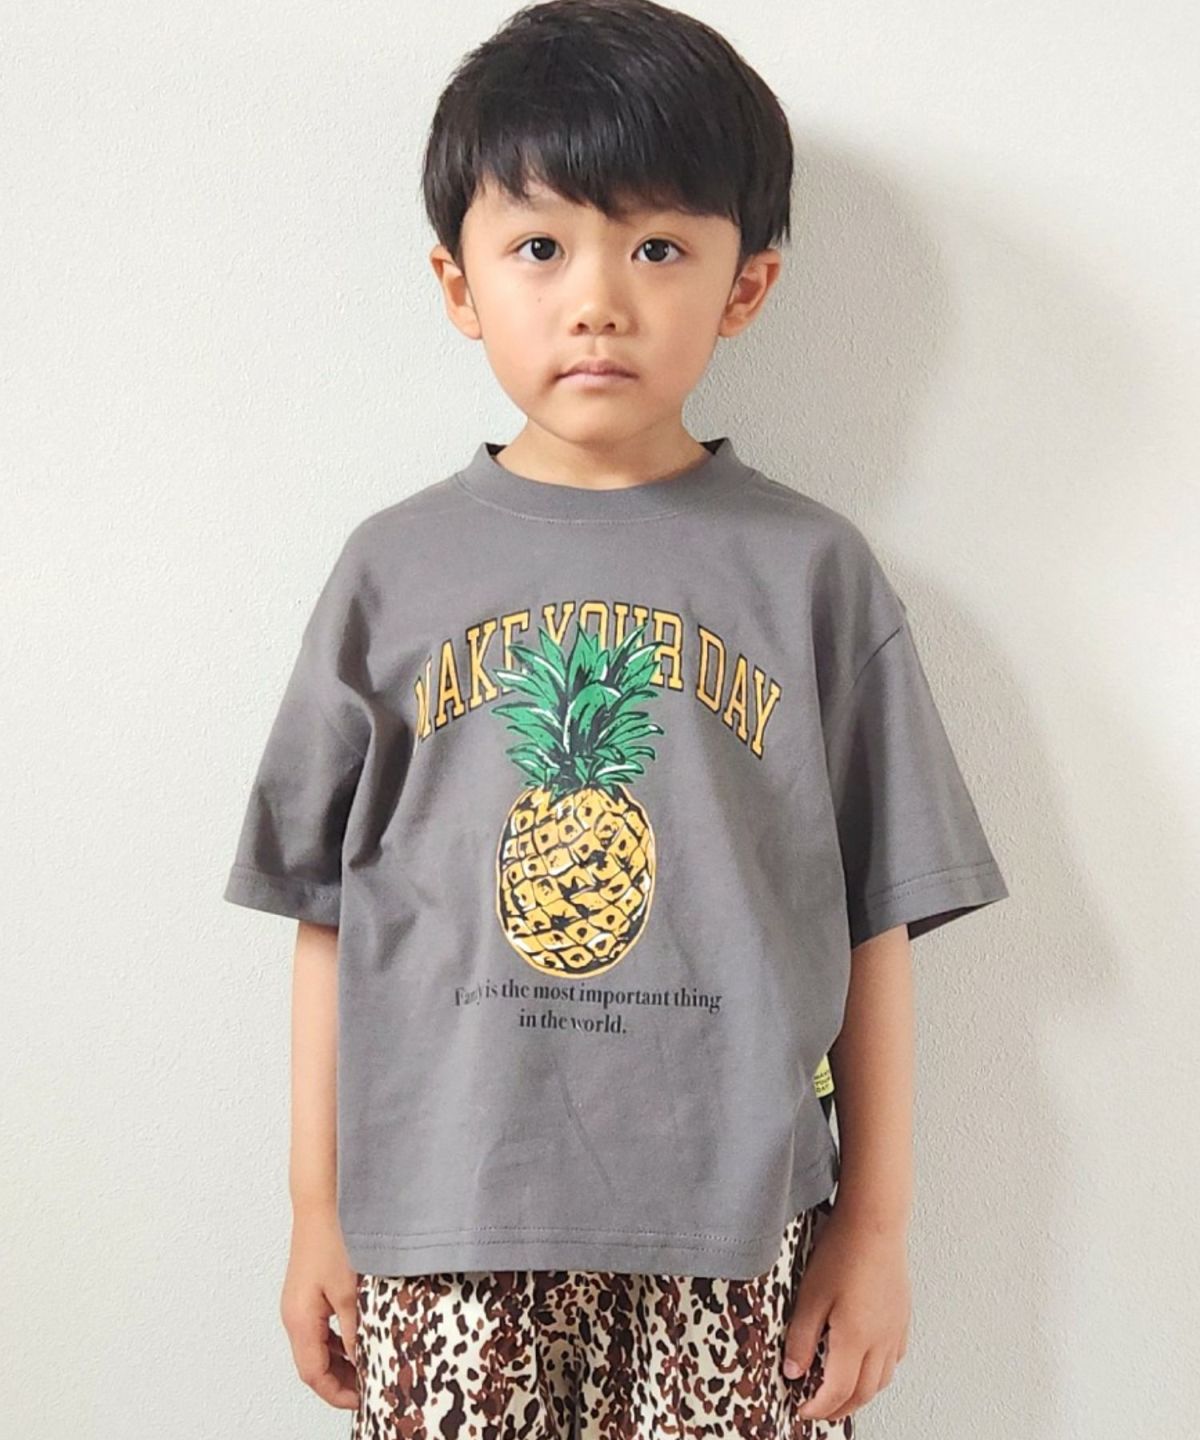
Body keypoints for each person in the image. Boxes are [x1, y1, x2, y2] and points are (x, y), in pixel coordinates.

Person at [222, 1, 1011, 1434]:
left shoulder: (811, 574)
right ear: (458, 283)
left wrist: (877, 1228)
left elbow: (876, 918)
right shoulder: (391, 573)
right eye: (540, 247)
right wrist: (313, 1210)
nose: (597, 299)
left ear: (745, 286)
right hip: (443, 1223)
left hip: (741, 1230)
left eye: (656, 248)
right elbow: (326, 915)